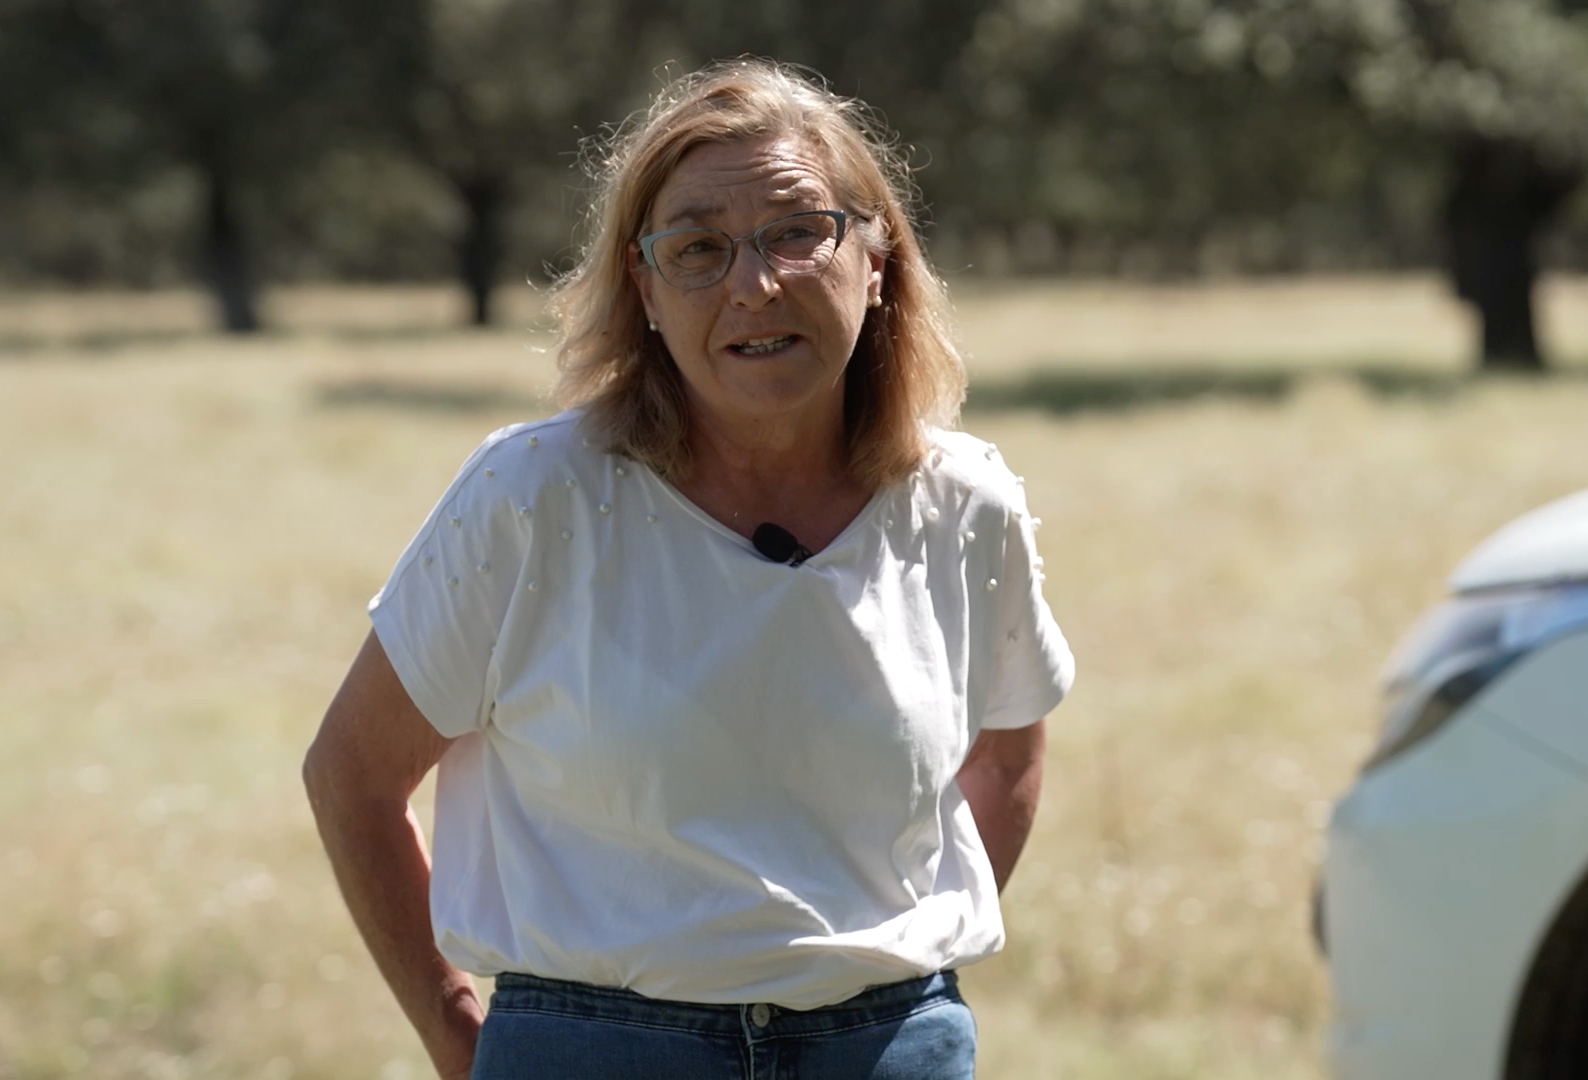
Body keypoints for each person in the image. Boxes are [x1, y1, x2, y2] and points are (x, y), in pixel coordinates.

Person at [302, 59, 1074, 1079]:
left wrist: (895, 961)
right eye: (698, 248)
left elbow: (1008, 757)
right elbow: (353, 777)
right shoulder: (534, 499)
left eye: (799, 232)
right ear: (645, 289)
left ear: (876, 258)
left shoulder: (965, 504)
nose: (754, 286)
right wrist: (456, 1030)